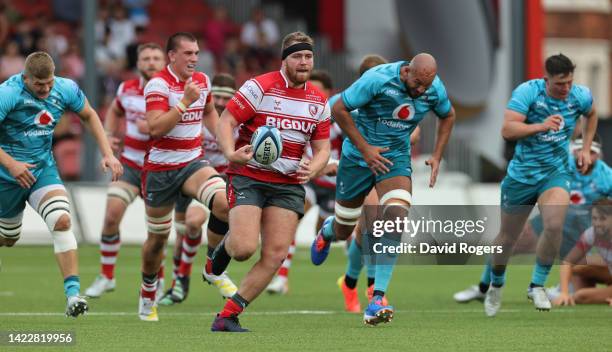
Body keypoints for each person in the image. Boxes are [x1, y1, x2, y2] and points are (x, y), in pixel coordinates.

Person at [310, 53, 455, 325]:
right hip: (357, 158)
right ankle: (330, 230)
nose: (422, 90)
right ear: (406, 72)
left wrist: (437, 154)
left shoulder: (434, 88)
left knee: (395, 217)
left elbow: (448, 116)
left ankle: (377, 297)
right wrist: (354, 152)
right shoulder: (377, 80)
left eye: (427, 84)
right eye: (418, 84)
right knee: (346, 228)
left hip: (395, 160)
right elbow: (335, 110)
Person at [207, 31, 331, 332]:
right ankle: (221, 251)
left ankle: (227, 316)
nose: (304, 62)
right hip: (249, 176)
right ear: (284, 60)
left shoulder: (318, 101)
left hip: (288, 183)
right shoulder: (259, 87)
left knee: (275, 254)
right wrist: (229, 152)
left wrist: (313, 169)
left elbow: (323, 148)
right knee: (244, 249)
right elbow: (226, 121)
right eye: (297, 56)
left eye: (308, 56)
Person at [0, 51, 123, 317]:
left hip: (43, 171)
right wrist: (11, 164)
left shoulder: (66, 88)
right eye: (38, 84)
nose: (45, 89)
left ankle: (73, 296)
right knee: (7, 239)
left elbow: (89, 114)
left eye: (49, 83)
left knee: (62, 220)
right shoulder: (7, 93)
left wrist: (108, 153)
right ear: (25, 78)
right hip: (5, 176)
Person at [483, 54, 598, 317]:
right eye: (560, 84)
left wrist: (586, 148)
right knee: (508, 238)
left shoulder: (579, 96)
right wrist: (540, 126)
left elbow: (591, 115)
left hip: (555, 173)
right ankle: (496, 284)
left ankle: (537, 285)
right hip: (521, 176)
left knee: (554, 224)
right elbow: (507, 130)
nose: (565, 88)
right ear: (546, 80)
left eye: (569, 82)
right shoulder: (528, 93)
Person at [139, 32, 230, 322]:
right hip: (160, 171)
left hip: (193, 163)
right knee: (157, 240)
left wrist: (228, 147)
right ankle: (148, 292)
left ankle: (212, 266)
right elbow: (155, 128)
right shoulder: (158, 85)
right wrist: (182, 103)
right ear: (172, 56)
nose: (194, 58)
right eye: (188, 53)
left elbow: (209, 114)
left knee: (225, 202)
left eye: (196, 53)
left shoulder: (203, 81)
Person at [454, 136, 612, 303]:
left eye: (590, 152)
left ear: (598, 155)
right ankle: (484, 286)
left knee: (579, 280)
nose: (584, 155)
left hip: (579, 231)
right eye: (579, 149)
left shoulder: (606, 176)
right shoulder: (560, 165)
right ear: (572, 150)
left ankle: (564, 290)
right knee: (507, 243)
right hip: (549, 222)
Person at [85, 42, 165, 299]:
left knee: (157, 231)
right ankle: (106, 276)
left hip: (160, 169)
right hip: (130, 165)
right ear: (138, 63)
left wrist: (154, 127)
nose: (151, 62)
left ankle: (158, 280)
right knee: (111, 216)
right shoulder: (127, 89)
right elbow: (115, 110)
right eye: (146, 59)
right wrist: (108, 135)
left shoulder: (172, 90)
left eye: (156, 58)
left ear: (164, 62)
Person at [159, 73, 239, 305]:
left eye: (228, 98)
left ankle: (202, 271)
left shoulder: (239, 124)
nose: (223, 102)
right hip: (193, 177)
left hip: (222, 182)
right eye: (219, 97)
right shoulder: (198, 120)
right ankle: (181, 281)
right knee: (185, 229)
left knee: (193, 224)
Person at [265, 69, 338, 295]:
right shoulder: (300, 111)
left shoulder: (341, 117)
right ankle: (282, 279)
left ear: (329, 92)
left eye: (318, 88)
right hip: (308, 180)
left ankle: (326, 233)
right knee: (290, 222)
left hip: (335, 186)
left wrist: (336, 164)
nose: (313, 92)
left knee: (327, 235)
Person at [554, 198, 612, 305]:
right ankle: (563, 292)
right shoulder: (591, 234)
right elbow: (567, 262)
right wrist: (564, 293)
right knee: (578, 266)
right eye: (594, 218)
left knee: (581, 297)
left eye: (603, 219)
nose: (597, 223)